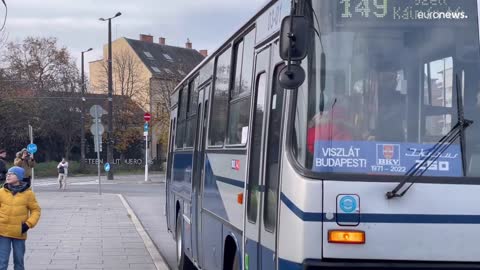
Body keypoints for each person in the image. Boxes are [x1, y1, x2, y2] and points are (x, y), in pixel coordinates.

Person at [0, 166, 41, 270]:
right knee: (2, 263)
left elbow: (36, 210)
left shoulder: (28, 194)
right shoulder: (1, 192)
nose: (8, 175)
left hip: (19, 232)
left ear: (19, 177)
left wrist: (28, 224)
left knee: (19, 263)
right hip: (2, 232)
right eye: (8, 173)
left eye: (12, 174)